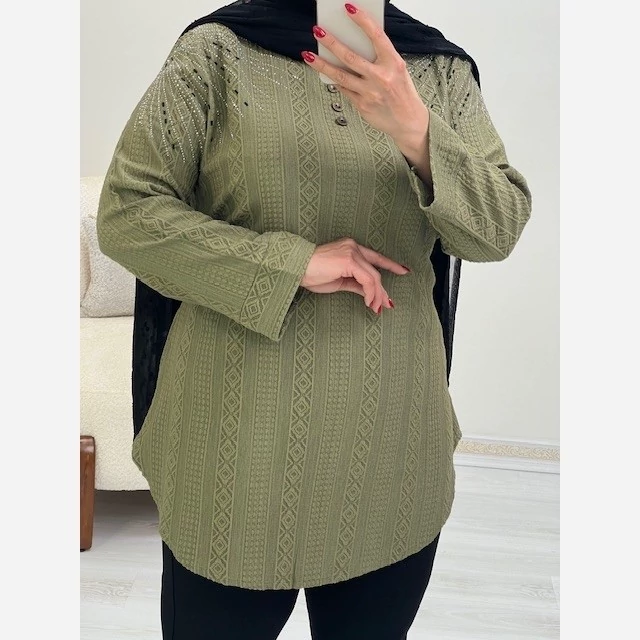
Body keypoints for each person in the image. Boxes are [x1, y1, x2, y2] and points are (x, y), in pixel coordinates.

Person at [96, 1, 532, 638]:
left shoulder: (439, 72)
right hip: (233, 447)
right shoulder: (216, 54)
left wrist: (416, 130)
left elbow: (496, 232)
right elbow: (127, 213)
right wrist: (291, 262)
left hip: (394, 444)